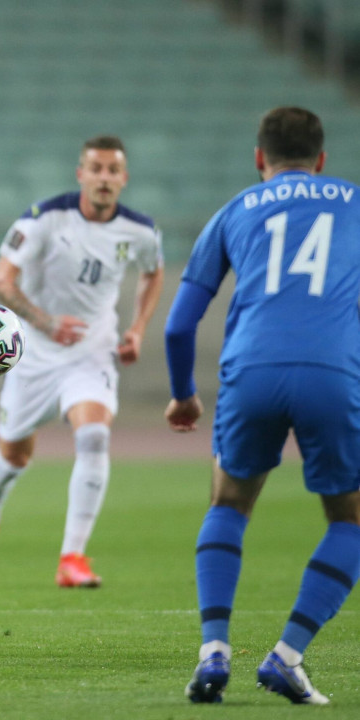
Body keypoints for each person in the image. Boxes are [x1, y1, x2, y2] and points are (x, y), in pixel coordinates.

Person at [168, 107, 360, 706]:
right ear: (322, 158)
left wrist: (182, 394)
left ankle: (213, 653)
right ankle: (287, 656)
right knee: (349, 518)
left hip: (250, 369)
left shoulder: (235, 210)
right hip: (332, 371)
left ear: (260, 159)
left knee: (228, 502)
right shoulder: (354, 203)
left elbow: (179, 327)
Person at [0, 135, 164, 588]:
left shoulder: (140, 231)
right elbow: (1, 279)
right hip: (34, 356)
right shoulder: (45, 219)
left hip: (92, 354)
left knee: (93, 435)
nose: (105, 177)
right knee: (12, 457)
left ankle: (72, 557)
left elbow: (153, 272)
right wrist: (45, 321)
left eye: (114, 170)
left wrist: (137, 328)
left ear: (124, 178)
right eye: (97, 168)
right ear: (82, 174)